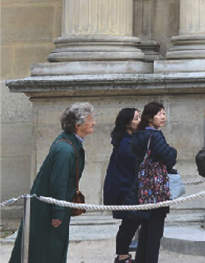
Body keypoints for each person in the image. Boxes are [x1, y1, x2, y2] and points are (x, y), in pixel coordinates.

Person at [8, 102, 96, 263]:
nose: (94, 122)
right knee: (47, 250)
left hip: (50, 207)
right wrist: (58, 213)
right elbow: (59, 183)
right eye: (90, 119)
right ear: (78, 125)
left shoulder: (69, 143)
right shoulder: (65, 150)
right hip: (48, 210)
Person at [127, 102, 177, 263]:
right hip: (156, 191)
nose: (163, 117)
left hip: (142, 190)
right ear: (149, 118)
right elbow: (170, 157)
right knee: (155, 233)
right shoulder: (154, 136)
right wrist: (173, 151)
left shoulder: (138, 135)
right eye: (160, 114)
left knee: (146, 233)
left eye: (163, 113)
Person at [104, 107, 142, 263]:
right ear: (128, 124)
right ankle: (122, 256)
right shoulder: (127, 143)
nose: (140, 121)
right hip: (125, 189)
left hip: (125, 187)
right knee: (130, 222)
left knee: (131, 222)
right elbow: (136, 164)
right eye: (136, 118)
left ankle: (123, 254)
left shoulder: (128, 140)